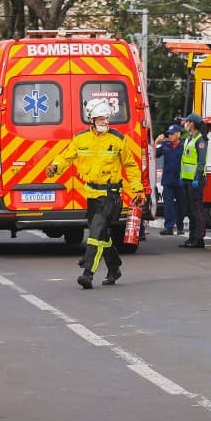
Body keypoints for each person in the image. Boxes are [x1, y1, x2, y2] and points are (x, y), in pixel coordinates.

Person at [47, 97, 145, 289]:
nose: (105, 122)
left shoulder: (118, 139)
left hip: (111, 196)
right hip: (92, 195)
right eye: (101, 119)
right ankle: (114, 267)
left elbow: (131, 166)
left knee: (95, 232)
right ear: (91, 120)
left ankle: (88, 273)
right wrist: (55, 167)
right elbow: (66, 157)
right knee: (101, 234)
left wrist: (138, 190)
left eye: (107, 118)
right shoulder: (80, 139)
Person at [178, 112, 209, 248]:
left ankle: (199, 238)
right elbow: (184, 160)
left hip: (195, 181)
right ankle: (192, 238)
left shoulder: (200, 140)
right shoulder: (189, 138)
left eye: (188, 122)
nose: (186, 124)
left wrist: (197, 178)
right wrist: (181, 176)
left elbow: (201, 162)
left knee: (197, 210)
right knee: (190, 211)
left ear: (193, 124)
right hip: (187, 179)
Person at [154, 123, 185, 234]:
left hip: (180, 180)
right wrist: (156, 142)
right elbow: (154, 154)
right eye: (169, 134)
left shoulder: (184, 145)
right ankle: (169, 227)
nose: (170, 136)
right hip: (168, 180)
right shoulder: (165, 145)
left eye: (172, 134)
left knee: (181, 205)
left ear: (178, 134)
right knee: (168, 204)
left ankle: (180, 227)